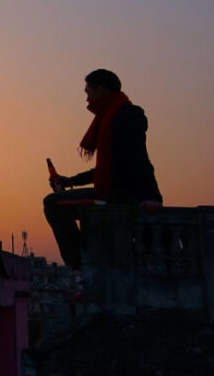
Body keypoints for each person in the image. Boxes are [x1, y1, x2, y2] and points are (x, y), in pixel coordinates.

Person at [43, 69, 163, 269]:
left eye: (88, 92)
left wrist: (153, 197)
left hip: (119, 195)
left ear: (100, 89)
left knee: (53, 204)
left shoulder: (124, 116)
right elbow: (106, 168)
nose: (87, 98)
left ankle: (81, 261)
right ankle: (86, 257)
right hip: (111, 191)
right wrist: (71, 181)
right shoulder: (110, 116)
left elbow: (139, 157)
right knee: (57, 202)